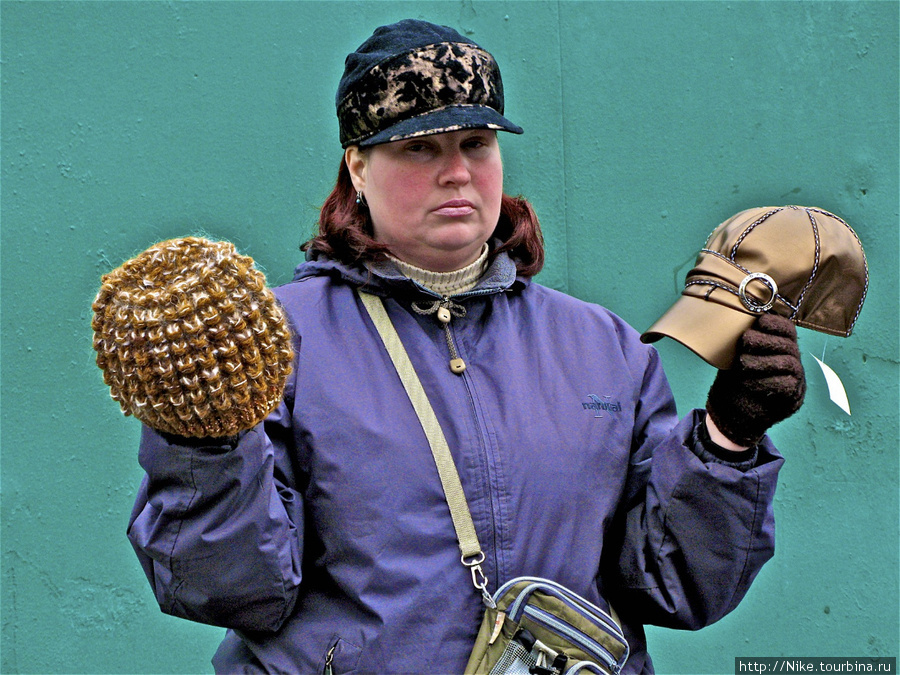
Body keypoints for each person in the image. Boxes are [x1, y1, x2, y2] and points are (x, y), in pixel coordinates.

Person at [125, 19, 806, 674]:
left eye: (475, 143)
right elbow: (231, 589)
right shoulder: (274, 342)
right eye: (420, 147)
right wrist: (206, 446)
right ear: (358, 166)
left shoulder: (603, 347)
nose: (456, 172)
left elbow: (673, 585)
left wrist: (728, 438)